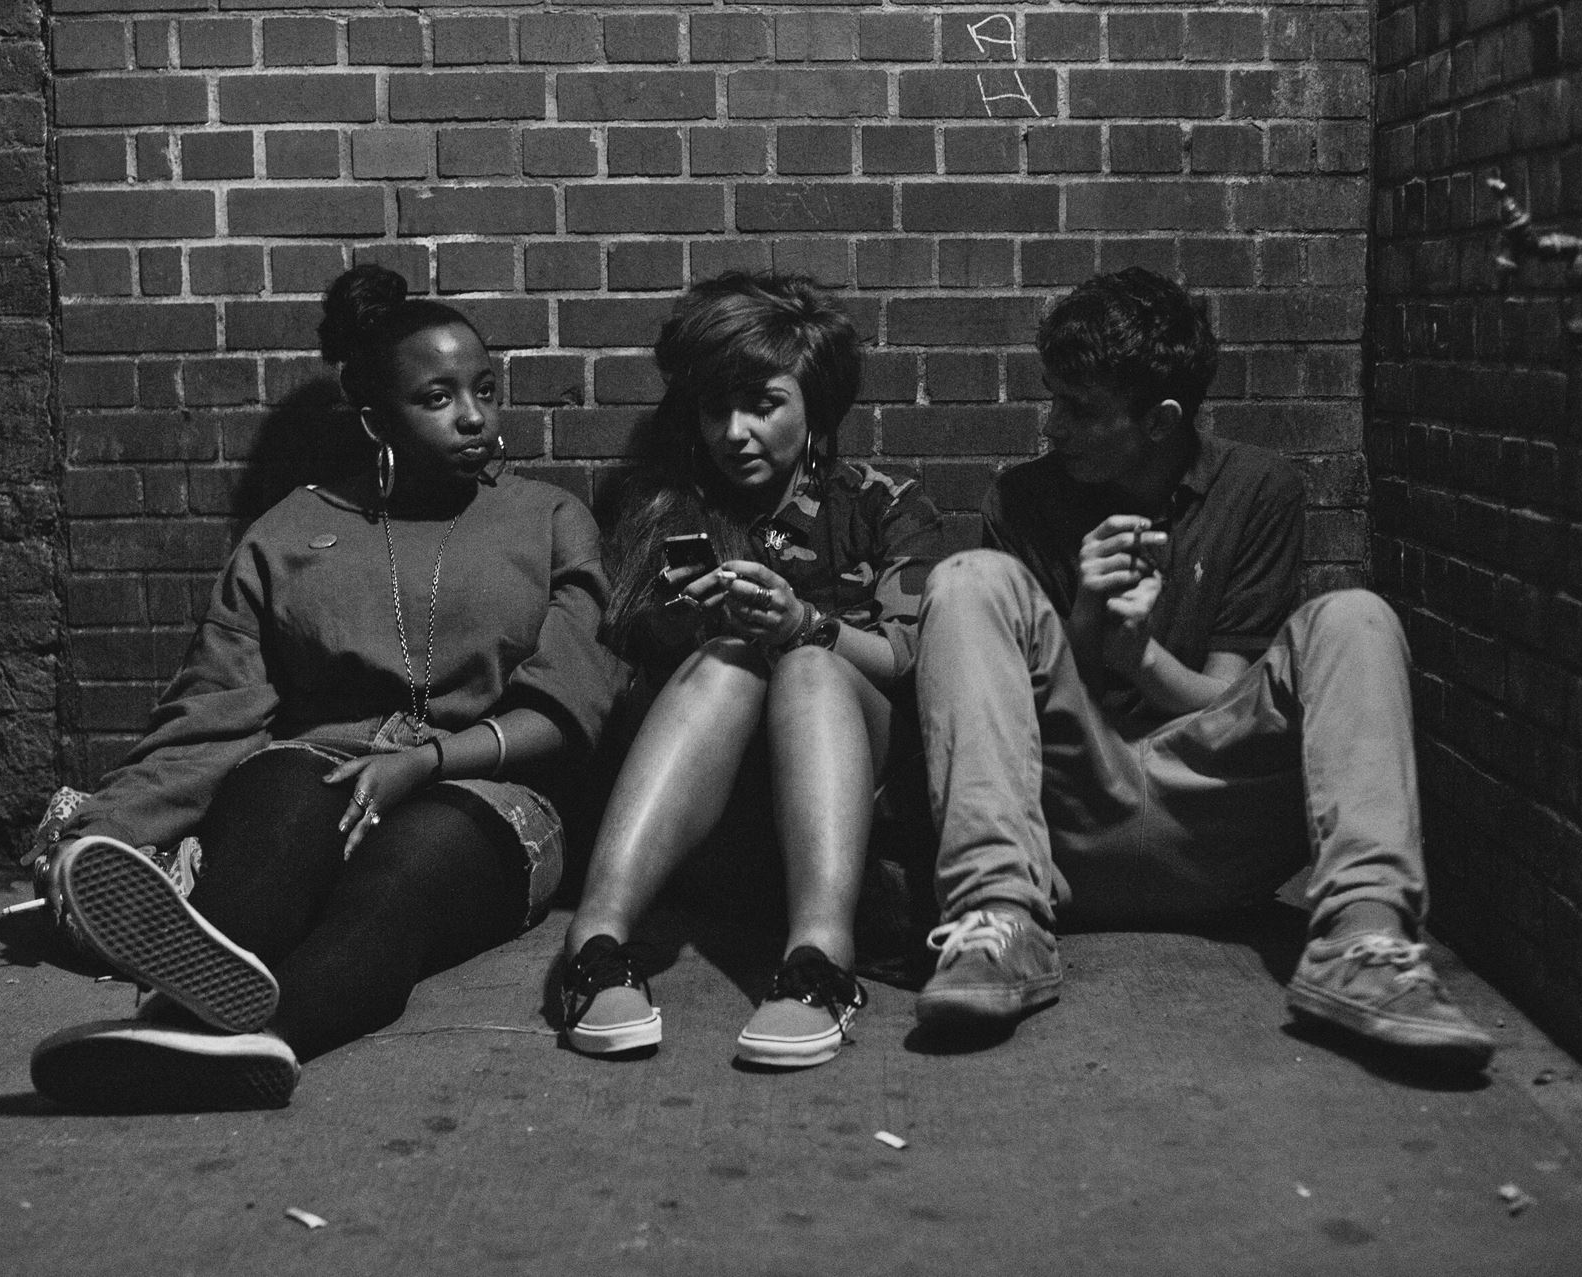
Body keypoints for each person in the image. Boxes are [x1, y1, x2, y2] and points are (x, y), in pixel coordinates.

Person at [28, 264, 624, 1110]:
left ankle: (247, 1042)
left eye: (485, 390)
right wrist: (106, 831)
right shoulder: (290, 532)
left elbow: (569, 708)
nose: (473, 416)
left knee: (398, 882)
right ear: (377, 418)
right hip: (322, 771)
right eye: (439, 397)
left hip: (493, 793)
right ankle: (176, 1012)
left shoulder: (550, 518)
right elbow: (212, 713)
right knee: (275, 811)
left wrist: (428, 763)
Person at [910, 266, 1495, 1067]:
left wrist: (1139, 655)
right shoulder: (1023, 498)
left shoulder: (1256, 489)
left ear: (1160, 420)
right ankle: (998, 916)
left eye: (1079, 409)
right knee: (969, 581)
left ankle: (1364, 939)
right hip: (1064, 830)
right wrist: (1086, 617)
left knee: (1356, 617)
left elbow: (1226, 696)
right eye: (1053, 397)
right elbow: (1016, 720)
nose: (1052, 426)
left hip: (1210, 820)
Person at [558, 272, 943, 1069]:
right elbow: (604, 666)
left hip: (842, 816)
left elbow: (910, 657)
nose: (733, 432)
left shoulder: (882, 503)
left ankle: (819, 962)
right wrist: (680, 623)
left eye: (762, 405)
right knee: (733, 658)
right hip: (700, 823)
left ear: (816, 406)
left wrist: (806, 624)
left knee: (806, 665)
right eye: (713, 408)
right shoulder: (656, 507)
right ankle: (595, 944)